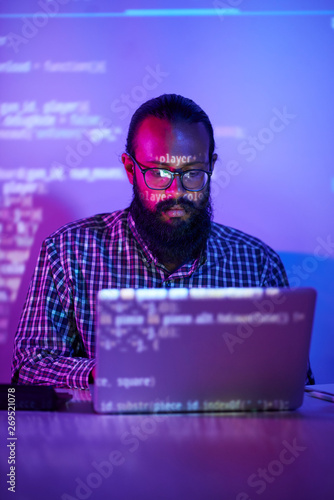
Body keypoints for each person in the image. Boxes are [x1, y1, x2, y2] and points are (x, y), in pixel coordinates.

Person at [12, 94, 313, 389]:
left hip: (226, 438)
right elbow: (28, 365)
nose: (176, 192)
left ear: (212, 166)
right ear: (131, 170)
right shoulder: (67, 253)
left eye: (192, 173)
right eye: (158, 173)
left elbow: (296, 379)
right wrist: (103, 372)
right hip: (106, 437)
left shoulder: (257, 264)